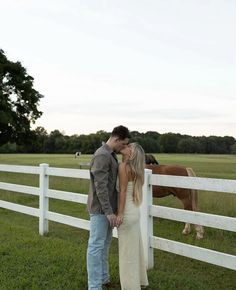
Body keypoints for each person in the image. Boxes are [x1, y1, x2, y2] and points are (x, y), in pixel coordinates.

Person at [87, 125, 131, 290]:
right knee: (96, 246)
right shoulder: (102, 155)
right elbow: (101, 188)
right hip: (101, 210)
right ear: (116, 139)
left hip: (108, 210)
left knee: (105, 245)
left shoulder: (111, 154)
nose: (124, 147)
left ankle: (104, 280)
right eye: (124, 144)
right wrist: (108, 212)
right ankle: (94, 286)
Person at [116, 143, 149, 290]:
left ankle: (130, 286)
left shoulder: (124, 167)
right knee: (135, 249)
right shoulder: (137, 170)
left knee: (126, 253)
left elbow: (122, 192)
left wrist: (120, 213)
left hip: (127, 213)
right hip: (135, 211)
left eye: (129, 146)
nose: (125, 145)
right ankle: (139, 280)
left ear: (132, 153)